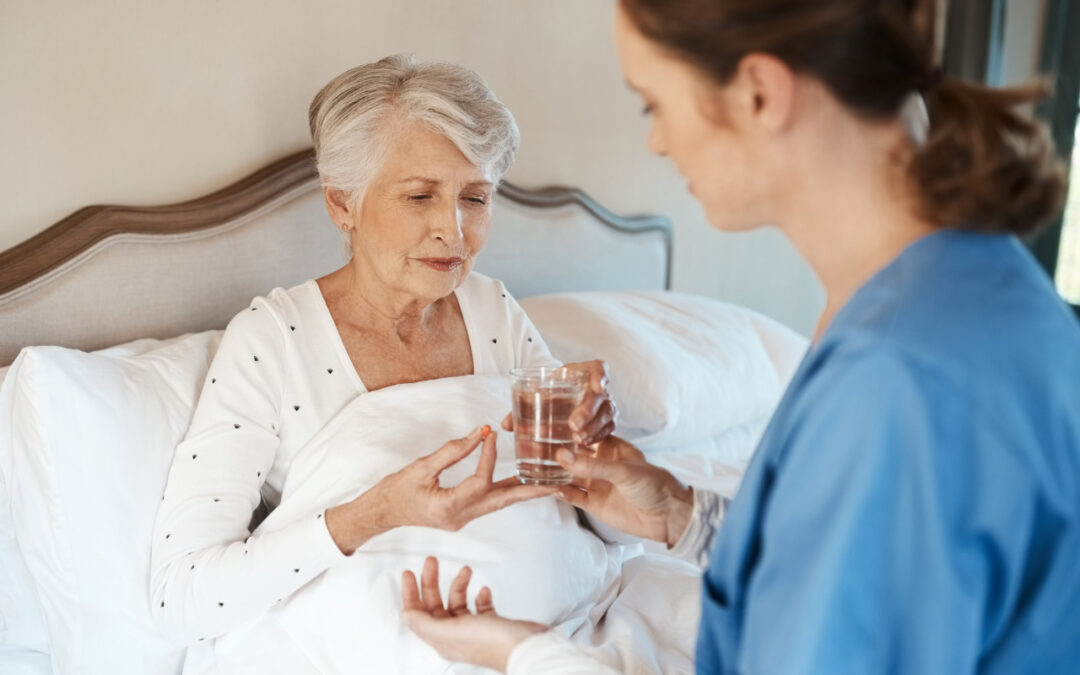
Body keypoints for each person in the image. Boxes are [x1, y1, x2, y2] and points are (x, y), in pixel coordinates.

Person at [401, 1, 1080, 673]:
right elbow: (844, 568)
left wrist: (524, 652)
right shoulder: (975, 282)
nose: (657, 142)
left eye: (653, 104)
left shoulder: (898, 382)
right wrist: (680, 513)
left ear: (759, 92)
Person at [149, 54, 616, 649]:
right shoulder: (273, 342)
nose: (453, 229)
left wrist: (597, 457)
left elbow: (585, 514)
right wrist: (374, 514)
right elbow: (181, 600)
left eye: (475, 198)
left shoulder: (493, 310)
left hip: (564, 633)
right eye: (420, 196)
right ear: (343, 204)